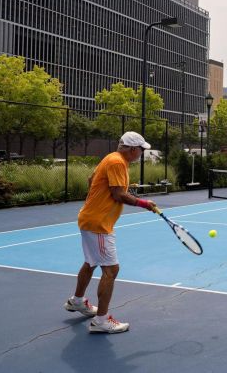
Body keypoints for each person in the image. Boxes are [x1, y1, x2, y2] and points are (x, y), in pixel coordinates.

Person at [64, 131, 157, 334]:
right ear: (132, 149)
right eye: (141, 150)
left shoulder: (110, 158)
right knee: (111, 270)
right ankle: (101, 321)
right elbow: (117, 194)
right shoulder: (117, 163)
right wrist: (144, 203)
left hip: (92, 218)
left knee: (91, 263)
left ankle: (77, 301)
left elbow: (91, 180)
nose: (141, 154)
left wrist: (96, 201)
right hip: (99, 223)